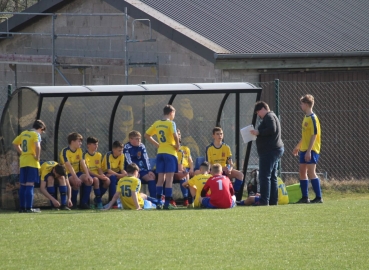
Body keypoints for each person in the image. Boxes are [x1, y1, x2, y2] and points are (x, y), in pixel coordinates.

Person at [144, 104, 180, 210]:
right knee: (169, 179)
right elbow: (175, 135)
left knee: (160, 179)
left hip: (160, 153)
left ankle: (159, 202)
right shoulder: (171, 123)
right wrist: (177, 145)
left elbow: (146, 135)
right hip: (170, 153)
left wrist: (157, 144)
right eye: (174, 114)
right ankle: (167, 203)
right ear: (171, 113)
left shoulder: (157, 123)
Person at [250, 101, 284, 206]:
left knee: (264, 176)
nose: (258, 115)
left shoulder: (269, 117)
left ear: (263, 109)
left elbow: (272, 129)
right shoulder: (272, 116)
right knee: (272, 176)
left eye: (258, 112)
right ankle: (273, 200)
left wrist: (258, 132)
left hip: (269, 151)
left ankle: (264, 201)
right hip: (275, 149)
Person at [292, 94, 322, 203]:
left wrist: (309, 151)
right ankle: (305, 197)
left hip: (312, 149)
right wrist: (298, 146)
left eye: (301, 104)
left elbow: (314, 135)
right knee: (302, 171)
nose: (300, 106)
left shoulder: (313, 118)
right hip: (304, 149)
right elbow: (305, 135)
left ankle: (318, 197)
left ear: (306, 104)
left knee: (311, 172)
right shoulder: (306, 117)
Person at [12, 119, 46, 213]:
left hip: (23, 161)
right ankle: (29, 208)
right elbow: (38, 146)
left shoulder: (24, 133)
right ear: (40, 128)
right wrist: (37, 157)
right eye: (42, 131)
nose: (42, 133)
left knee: (23, 185)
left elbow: (15, 143)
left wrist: (22, 152)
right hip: (32, 161)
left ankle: (22, 208)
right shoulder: (36, 134)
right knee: (30, 185)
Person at [205, 127, 244, 196]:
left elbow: (231, 163)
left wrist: (230, 169)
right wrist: (219, 169)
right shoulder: (209, 148)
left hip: (225, 170)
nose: (220, 136)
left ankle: (233, 195)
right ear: (213, 136)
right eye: (217, 134)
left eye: (221, 134)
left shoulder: (226, 147)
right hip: (214, 171)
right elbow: (209, 164)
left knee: (240, 175)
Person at [59, 132, 93, 209]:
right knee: (75, 182)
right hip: (68, 174)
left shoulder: (79, 150)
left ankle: (84, 203)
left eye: (81, 141)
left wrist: (88, 175)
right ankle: (73, 204)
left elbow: (83, 163)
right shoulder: (64, 151)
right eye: (79, 141)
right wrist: (76, 178)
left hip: (77, 173)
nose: (80, 143)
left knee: (89, 180)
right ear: (72, 141)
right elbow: (69, 166)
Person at [123, 130, 156, 198]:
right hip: (130, 170)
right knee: (135, 180)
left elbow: (145, 158)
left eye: (140, 138)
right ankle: (136, 199)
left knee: (151, 177)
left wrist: (149, 170)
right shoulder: (126, 147)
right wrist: (135, 171)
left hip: (141, 169)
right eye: (137, 139)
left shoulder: (141, 146)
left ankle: (154, 200)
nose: (139, 140)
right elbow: (128, 161)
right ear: (130, 139)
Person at [84, 136, 110, 209]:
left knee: (107, 180)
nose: (96, 146)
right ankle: (99, 202)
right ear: (88, 145)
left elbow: (99, 168)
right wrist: (99, 176)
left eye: (97, 144)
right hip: (89, 175)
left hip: (97, 175)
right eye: (94, 144)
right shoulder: (85, 155)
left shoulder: (98, 155)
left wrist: (102, 175)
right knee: (96, 180)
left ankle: (97, 198)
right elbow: (88, 170)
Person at [102, 140, 127, 206]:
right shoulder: (108, 155)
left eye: (122, 150)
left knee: (126, 178)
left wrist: (125, 174)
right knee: (112, 178)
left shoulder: (122, 155)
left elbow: (121, 169)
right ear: (113, 149)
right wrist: (120, 175)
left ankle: (126, 200)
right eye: (119, 150)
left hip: (116, 173)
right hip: (105, 173)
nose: (121, 152)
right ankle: (112, 201)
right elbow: (108, 170)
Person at [174, 128, 194, 206]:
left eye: (179, 134)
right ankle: (185, 198)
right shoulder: (171, 149)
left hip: (186, 168)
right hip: (176, 170)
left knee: (186, 174)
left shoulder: (186, 148)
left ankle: (189, 199)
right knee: (184, 176)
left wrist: (192, 168)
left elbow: (190, 161)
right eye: (176, 134)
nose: (178, 136)